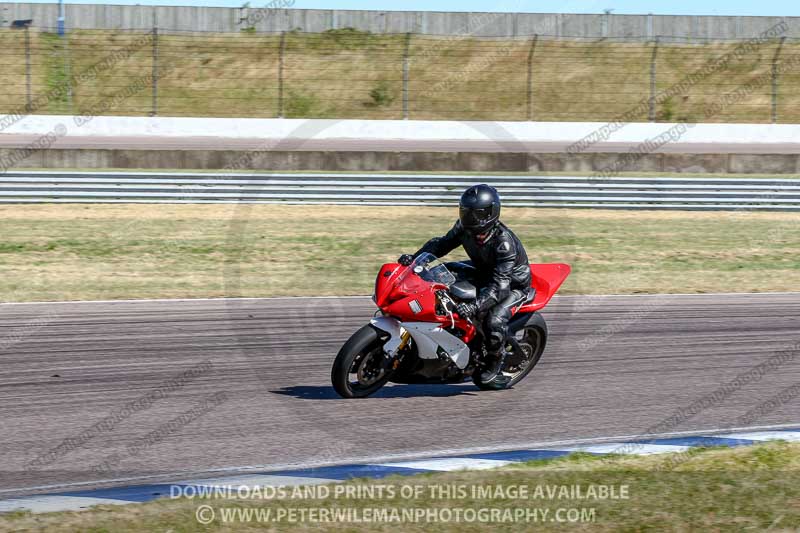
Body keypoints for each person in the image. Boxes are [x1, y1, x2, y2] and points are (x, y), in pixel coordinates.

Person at [398, 184, 532, 388]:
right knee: (443, 273)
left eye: (476, 214)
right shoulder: (464, 228)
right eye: (465, 212)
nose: (470, 218)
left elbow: (499, 287)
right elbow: (441, 244)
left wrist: (474, 306)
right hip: (484, 272)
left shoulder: (503, 243)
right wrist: (415, 259)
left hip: (512, 284)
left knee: (493, 320)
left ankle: (495, 363)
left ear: (491, 213)